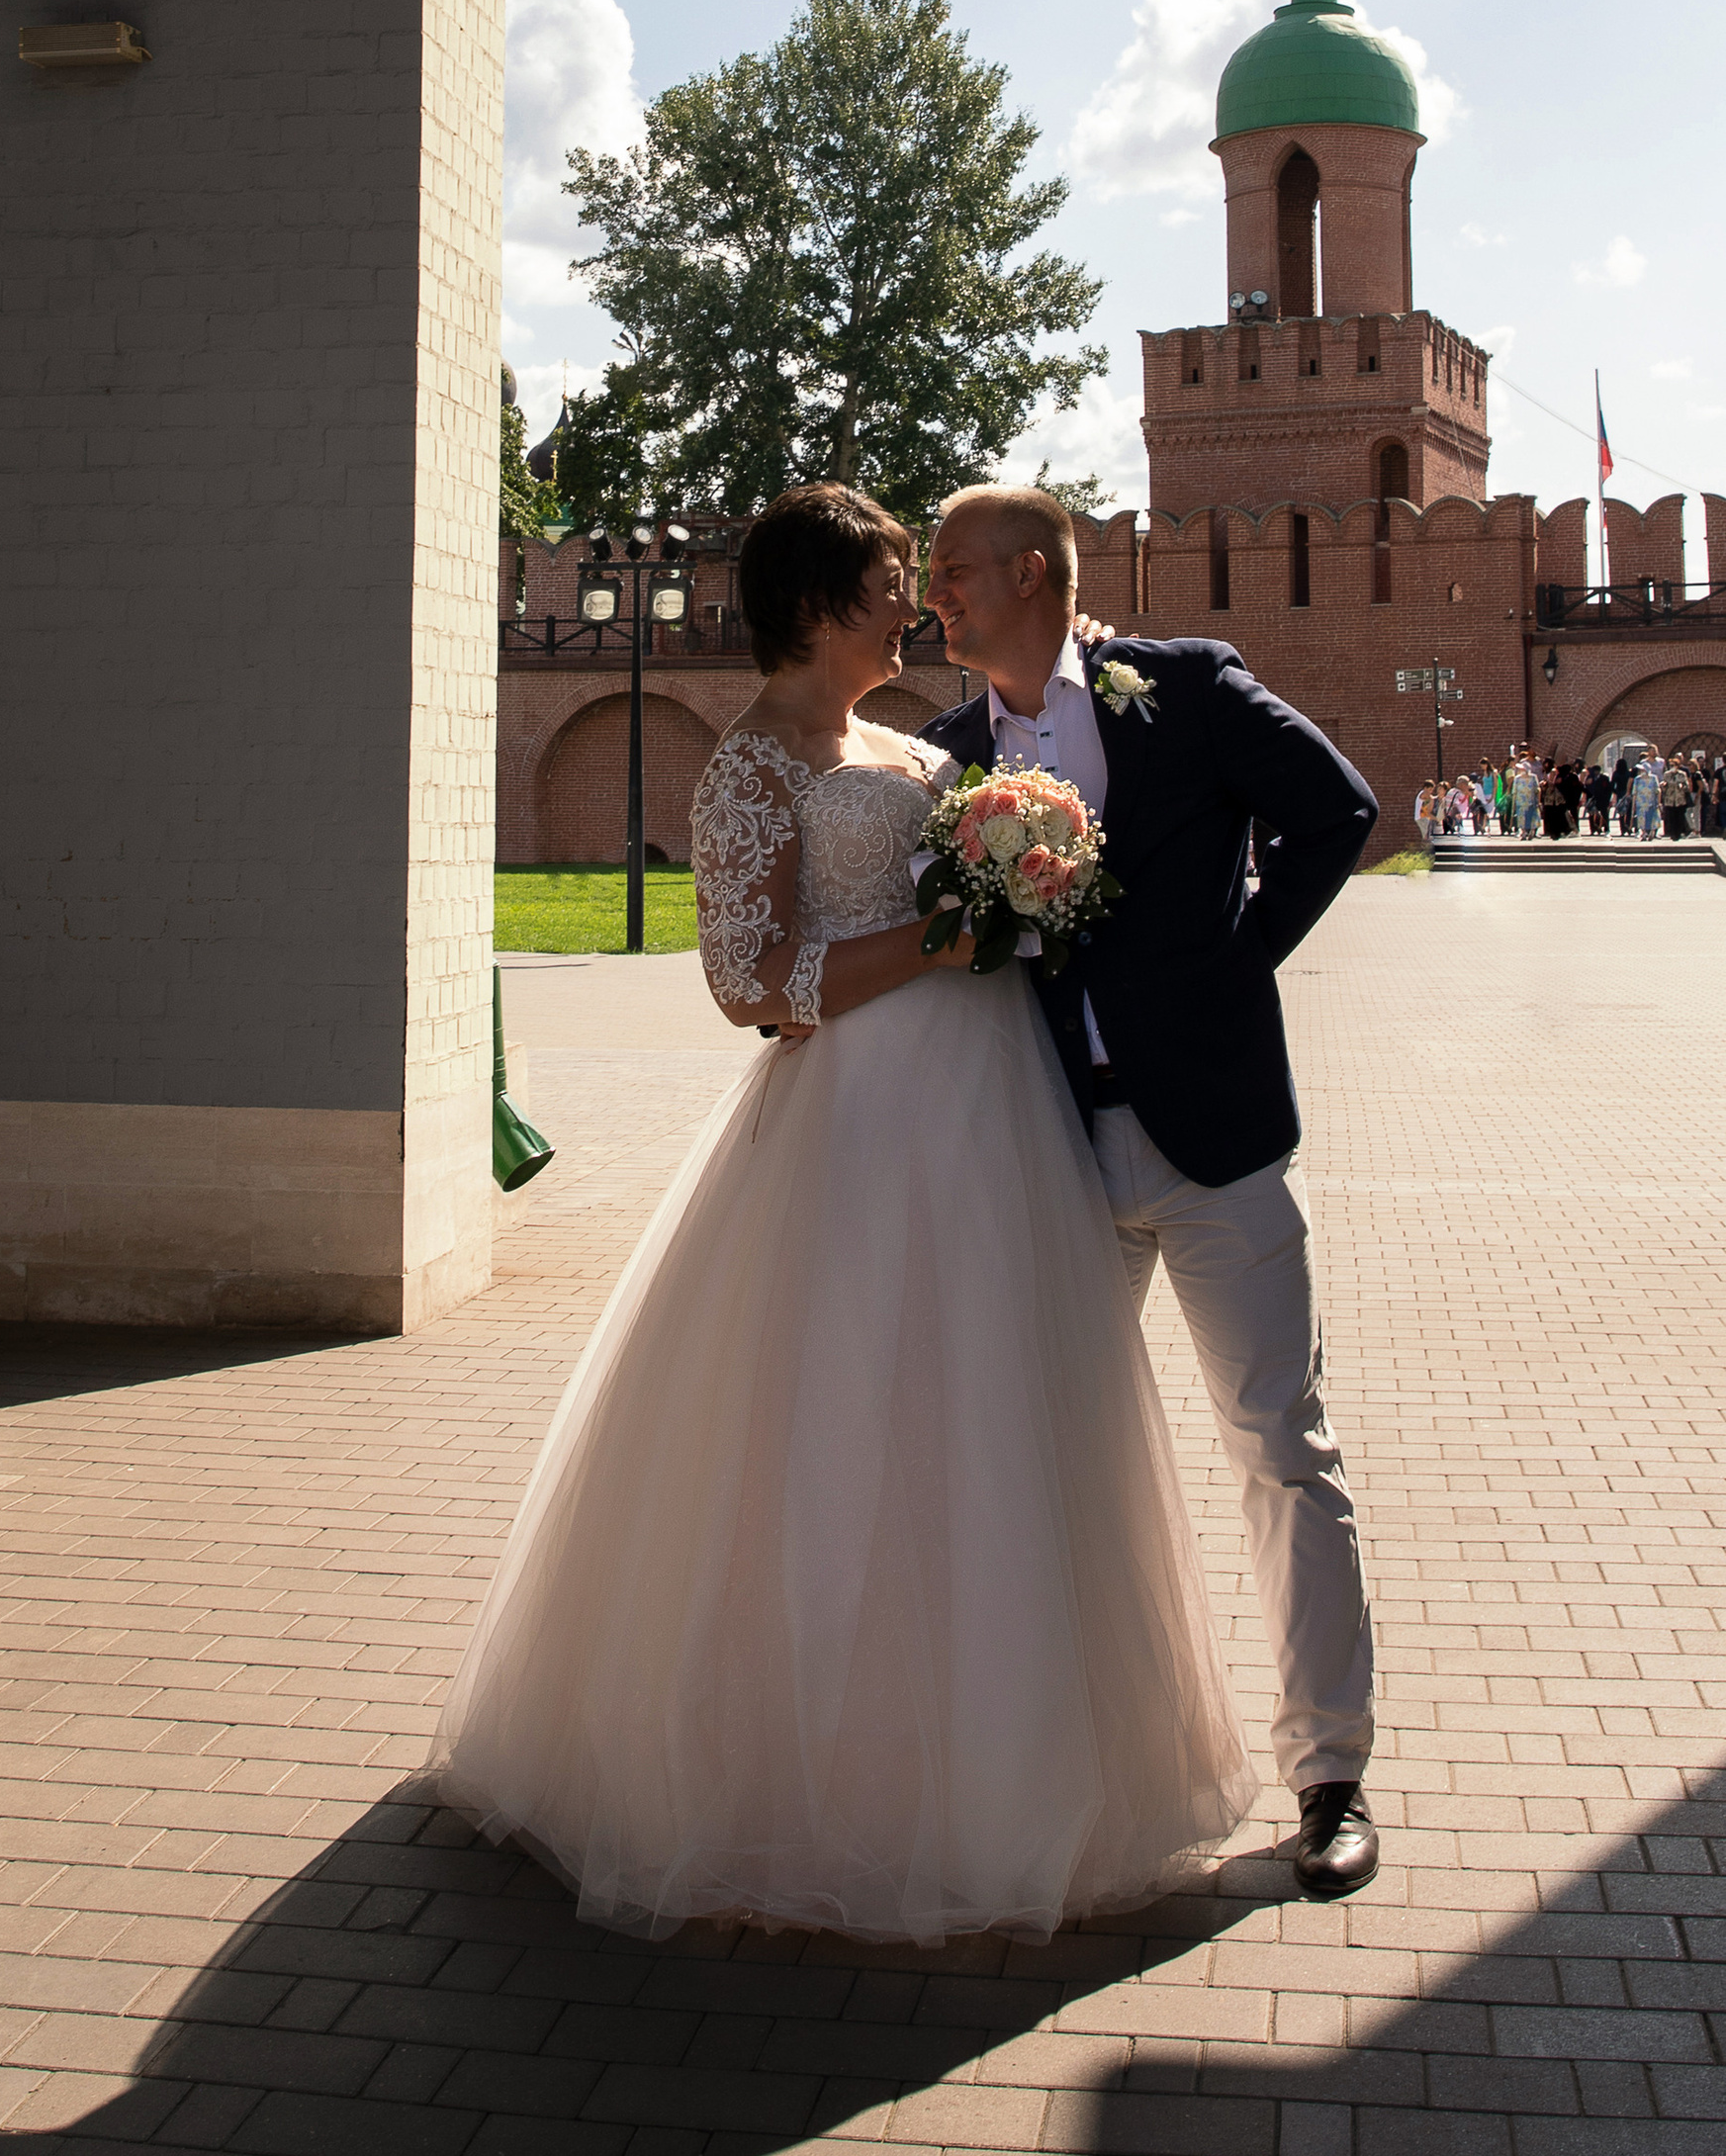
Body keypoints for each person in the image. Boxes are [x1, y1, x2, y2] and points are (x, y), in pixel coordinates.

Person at [435, 484, 1256, 1945]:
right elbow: (751, 987)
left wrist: (1019, 886)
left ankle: (1005, 1756)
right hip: (854, 1133)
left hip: (992, 1118)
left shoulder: (908, 746)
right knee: (828, 1432)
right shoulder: (751, 765)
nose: (915, 599)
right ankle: (818, 1780)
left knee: (988, 1425)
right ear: (822, 603)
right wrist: (945, 937)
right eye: (890, 577)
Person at [921, 485, 1382, 1904]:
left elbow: (1337, 812)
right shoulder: (942, 757)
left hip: (1214, 1142)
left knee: (1280, 1446)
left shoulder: (1176, 688)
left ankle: (1332, 1779)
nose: (934, 596)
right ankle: (1057, 1777)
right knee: (1052, 1454)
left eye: (956, 572)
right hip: (1049, 1148)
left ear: (1040, 575)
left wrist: (1236, 967)